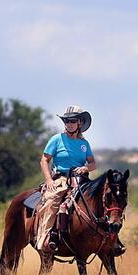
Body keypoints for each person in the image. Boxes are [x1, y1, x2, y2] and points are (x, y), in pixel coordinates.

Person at [36, 105, 96, 252]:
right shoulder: (56, 139)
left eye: (72, 121)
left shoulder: (84, 144)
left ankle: (110, 240)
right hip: (60, 179)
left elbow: (93, 163)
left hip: (81, 180)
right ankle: (47, 238)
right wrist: (49, 180)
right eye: (66, 121)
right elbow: (44, 160)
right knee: (51, 202)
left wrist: (85, 168)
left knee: (100, 200)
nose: (69, 124)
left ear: (79, 123)